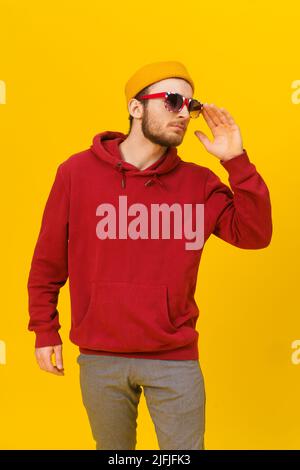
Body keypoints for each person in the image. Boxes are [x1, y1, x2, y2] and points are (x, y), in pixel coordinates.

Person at [27, 61, 273, 450]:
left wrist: (235, 161)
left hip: (174, 357)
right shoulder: (76, 173)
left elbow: (255, 235)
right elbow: (48, 261)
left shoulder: (199, 183)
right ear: (136, 108)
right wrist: (44, 329)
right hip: (100, 355)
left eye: (190, 106)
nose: (183, 114)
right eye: (172, 101)